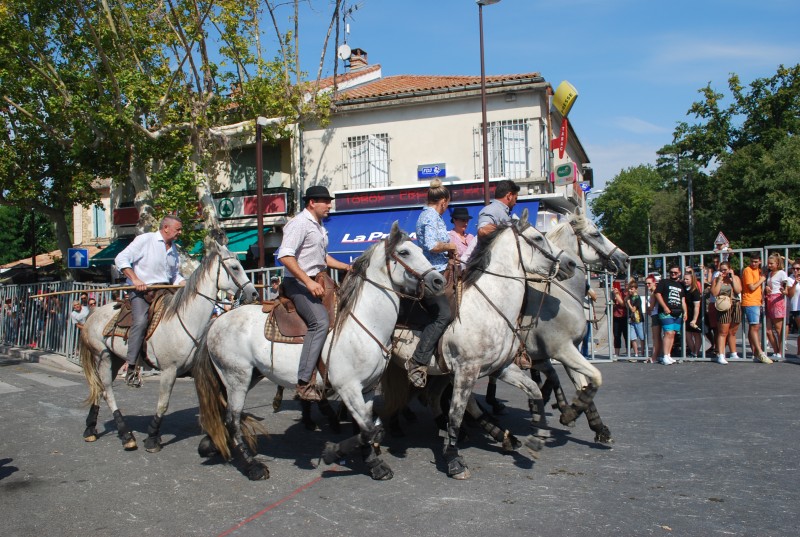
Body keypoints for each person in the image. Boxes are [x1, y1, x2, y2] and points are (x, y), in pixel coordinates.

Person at [276, 185, 351, 401]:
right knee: (320, 321)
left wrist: (347, 267)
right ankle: (304, 382)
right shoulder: (299, 223)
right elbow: (285, 256)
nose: (329, 205)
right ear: (312, 203)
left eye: (329, 202)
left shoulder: (318, 225)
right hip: (297, 284)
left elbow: (323, 257)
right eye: (325, 202)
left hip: (317, 280)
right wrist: (308, 282)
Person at [115, 215, 186, 386]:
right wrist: (135, 279)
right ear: (166, 228)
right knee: (140, 321)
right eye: (178, 229)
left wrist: (185, 283)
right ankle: (131, 366)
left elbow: (175, 275)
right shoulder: (145, 240)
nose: (180, 233)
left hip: (165, 291)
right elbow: (121, 259)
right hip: (142, 292)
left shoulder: (174, 249)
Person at [407, 178, 455, 388]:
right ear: (443, 201)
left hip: (441, 271)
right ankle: (417, 362)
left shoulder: (433, 216)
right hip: (431, 275)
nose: (447, 207)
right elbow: (431, 245)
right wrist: (451, 246)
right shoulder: (429, 216)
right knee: (443, 315)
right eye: (448, 204)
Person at [741, 253, 771, 363]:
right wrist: (762, 279)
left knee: (753, 327)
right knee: (755, 327)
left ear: (760, 261)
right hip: (750, 301)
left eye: (756, 262)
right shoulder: (747, 270)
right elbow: (752, 287)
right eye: (752, 261)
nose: (753, 264)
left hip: (757, 301)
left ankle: (755, 353)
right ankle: (760, 352)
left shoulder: (759, 271)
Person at [711, 261, 742, 365]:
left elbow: (738, 290)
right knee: (723, 331)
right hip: (724, 306)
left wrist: (732, 278)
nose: (723, 272)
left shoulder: (735, 278)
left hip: (735, 304)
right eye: (721, 270)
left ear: (729, 269)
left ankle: (733, 352)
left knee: (732, 331)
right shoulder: (717, 279)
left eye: (725, 270)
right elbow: (714, 293)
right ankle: (721, 354)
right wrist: (719, 281)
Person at [655, 265, 686, 365]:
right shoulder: (664, 282)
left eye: (675, 272)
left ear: (679, 273)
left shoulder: (681, 285)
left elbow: (683, 300)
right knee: (668, 332)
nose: (673, 274)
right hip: (666, 312)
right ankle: (665, 356)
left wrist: (685, 312)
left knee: (673, 333)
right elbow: (657, 294)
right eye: (671, 272)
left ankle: (668, 354)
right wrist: (664, 307)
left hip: (678, 312)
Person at [764, 253, 792, 360]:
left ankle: (780, 351)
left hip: (778, 299)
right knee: (768, 330)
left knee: (778, 328)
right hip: (769, 299)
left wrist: (783, 291)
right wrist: (767, 288)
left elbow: (785, 288)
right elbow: (769, 285)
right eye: (768, 263)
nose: (769, 265)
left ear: (777, 263)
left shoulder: (782, 273)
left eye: (771, 263)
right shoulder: (770, 273)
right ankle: (776, 350)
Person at [683, 270, 702, 357]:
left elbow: (697, 306)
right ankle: (693, 351)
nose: (685, 281)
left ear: (692, 279)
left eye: (687, 279)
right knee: (687, 334)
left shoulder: (695, 291)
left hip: (695, 315)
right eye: (684, 279)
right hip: (686, 314)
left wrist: (694, 319)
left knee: (696, 334)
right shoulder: (684, 289)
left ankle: (696, 352)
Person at [645, 275, 661, 363]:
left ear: (654, 282)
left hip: (656, 314)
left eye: (649, 283)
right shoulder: (654, 291)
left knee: (655, 337)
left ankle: (654, 357)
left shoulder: (654, 292)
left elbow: (652, 307)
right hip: (656, 314)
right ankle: (659, 354)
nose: (647, 285)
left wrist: (648, 308)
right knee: (657, 337)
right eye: (646, 283)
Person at [625, 279, 644, 358]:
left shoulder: (637, 298)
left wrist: (629, 303)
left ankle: (642, 353)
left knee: (641, 337)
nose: (630, 290)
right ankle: (636, 353)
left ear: (636, 289)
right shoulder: (630, 297)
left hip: (638, 319)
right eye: (629, 289)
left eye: (632, 289)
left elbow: (633, 309)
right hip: (631, 320)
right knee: (633, 337)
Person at [787, 259, 800, 358]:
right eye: (793, 268)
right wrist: (795, 283)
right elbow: (790, 294)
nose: (795, 270)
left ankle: (799, 352)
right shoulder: (789, 279)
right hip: (796, 308)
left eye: (798, 269)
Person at [611, 283, 628, 357]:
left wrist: (617, 295)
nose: (626, 285)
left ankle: (628, 353)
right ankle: (616, 353)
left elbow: (623, 304)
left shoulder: (629, 293)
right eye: (625, 283)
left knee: (627, 335)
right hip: (616, 315)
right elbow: (612, 301)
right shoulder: (620, 291)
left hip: (626, 316)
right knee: (616, 335)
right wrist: (613, 294)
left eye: (628, 283)